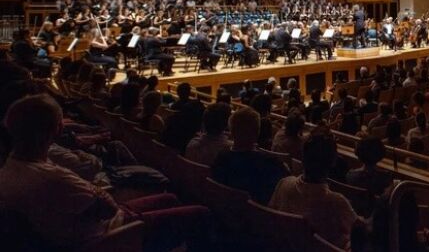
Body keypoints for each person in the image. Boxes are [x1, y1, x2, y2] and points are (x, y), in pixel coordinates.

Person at [0, 94, 210, 251]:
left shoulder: (10, 168)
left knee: (170, 197)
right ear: (57, 129)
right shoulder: (52, 177)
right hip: (112, 236)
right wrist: (96, 192)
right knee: (201, 213)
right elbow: (108, 208)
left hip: (85, 225)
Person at [269, 132, 361, 250]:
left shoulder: (283, 184)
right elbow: (361, 232)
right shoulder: (337, 203)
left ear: (303, 156)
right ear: (333, 162)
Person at [211, 106, 289, 204]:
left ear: (231, 132)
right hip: (258, 216)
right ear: (257, 133)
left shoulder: (220, 159)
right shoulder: (270, 164)